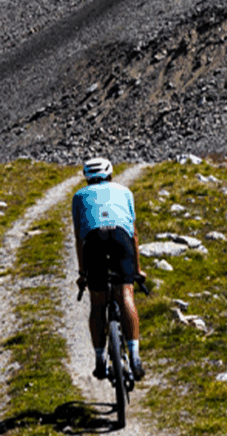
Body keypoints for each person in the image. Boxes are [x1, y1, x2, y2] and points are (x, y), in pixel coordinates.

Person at [71, 157, 147, 380]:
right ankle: (134, 358)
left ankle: (99, 360)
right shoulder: (124, 191)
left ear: (87, 177)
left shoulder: (78, 197)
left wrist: (83, 273)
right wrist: (138, 269)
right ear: (111, 174)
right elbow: (133, 233)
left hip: (93, 242)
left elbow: (79, 237)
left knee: (97, 303)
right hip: (120, 238)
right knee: (125, 295)